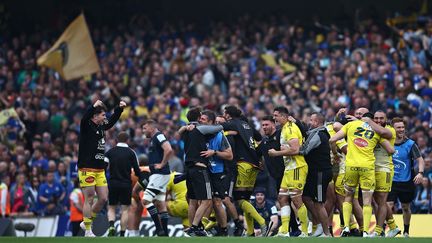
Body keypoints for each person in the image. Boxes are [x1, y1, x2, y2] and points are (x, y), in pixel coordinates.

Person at [330, 112, 393, 237]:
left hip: (351, 166)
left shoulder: (351, 125)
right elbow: (391, 150)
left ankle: (346, 227)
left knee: (348, 197)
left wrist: (336, 153)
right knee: (367, 201)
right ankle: (365, 231)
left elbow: (332, 139)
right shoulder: (377, 131)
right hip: (367, 167)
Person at [77, 99, 125, 237]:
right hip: (87, 167)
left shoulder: (101, 127)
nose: (105, 117)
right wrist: (93, 106)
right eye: (103, 115)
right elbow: (85, 117)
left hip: (99, 169)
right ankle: (87, 230)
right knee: (90, 198)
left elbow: (111, 122)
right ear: (95, 116)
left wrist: (119, 109)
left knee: (103, 198)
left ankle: (87, 220)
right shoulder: (86, 125)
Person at [222, 105, 268, 237]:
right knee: (246, 199)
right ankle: (250, 231)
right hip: (253, 165)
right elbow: (260, 139)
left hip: (243, 164)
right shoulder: (248, 126)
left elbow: (218, 129)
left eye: (225, 114)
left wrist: (227, 132)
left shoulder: (231, 124)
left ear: (228, 114)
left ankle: (262, 221)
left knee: (239, 200)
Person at [180, 107, 222, 237]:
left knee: (192, 200)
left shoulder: (185, 131)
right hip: (200, 168)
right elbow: (219, 127)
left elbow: (179, 131)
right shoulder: (200, 128)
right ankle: (195, 227)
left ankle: (190, 226)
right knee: (207, 200)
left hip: (189, 169)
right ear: (199, 118)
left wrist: (185, 126)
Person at [256, 115, 301, 236]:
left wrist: (296, 122)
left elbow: (297, 141)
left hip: (291, 173)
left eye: (267, 124)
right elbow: (256, 154)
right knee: (284, 202)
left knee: (297, 201)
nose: (264, 127)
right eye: (263, 125)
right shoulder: (265, 142)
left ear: (273, 124)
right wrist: (259, 162)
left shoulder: (282, 134)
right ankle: (294, 229)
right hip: (277, 177)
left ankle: (306, 226)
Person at [268, 106, 308, 237]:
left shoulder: (290, 128)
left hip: (297, 167)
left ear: (284, 116)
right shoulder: (284, 128)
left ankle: (305, 231)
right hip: (289, 168)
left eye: (276, 115)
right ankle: (284, 231)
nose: (274, 118)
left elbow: (295, 149)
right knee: (282, 198)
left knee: (296, 200)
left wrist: (277, 153)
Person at [386, 117, 425, 237]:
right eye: (398, 127)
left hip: (406, 180)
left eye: (403, 127)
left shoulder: (410, 144)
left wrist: (420, 173)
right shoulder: (387, 143)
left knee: (405, 207)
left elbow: (420, 159)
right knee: (388, 205)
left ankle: (406, 231)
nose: (401, 129)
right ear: (393, 129)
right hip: (391, 180)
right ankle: (390, 228)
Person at [105, 131, 148, 237]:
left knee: (111, 207)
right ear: (128, 140)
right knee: (125, 209)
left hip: (113, 183)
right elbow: (137, 171)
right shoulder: (131, 152)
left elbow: (103, 167)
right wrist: (143, 177)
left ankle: (111, 225)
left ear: (116, 140)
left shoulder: (110, 152)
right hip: (126, 184)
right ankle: (122, 234)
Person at [199, 110, 233, 236]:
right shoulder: (199, 133)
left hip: (218, 172)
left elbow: (229, 155)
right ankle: (201, 227)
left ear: (211, 122)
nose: (200, 121)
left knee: (217, 202)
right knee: (205, 201)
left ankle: (224, 229)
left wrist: (214, 152)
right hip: (204, 171)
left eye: (203, 119)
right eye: (200, 118)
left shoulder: (220, 136)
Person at [300, 112, 332, 237]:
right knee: (306, 198)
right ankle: (318, 225)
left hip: (320, 172)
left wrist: (284, 150)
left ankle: (326, 233)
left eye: (312, 120)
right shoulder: (314, 133)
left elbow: (304, 150)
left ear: (317, 122)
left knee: (319, 203)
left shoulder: (319, 134)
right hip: (314, 173)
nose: (309, 122)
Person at [141, 119, 174, 236]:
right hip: (160, 174)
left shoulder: (158, 136)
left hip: (160, 174)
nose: (143, 131)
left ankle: (159, 228)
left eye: (144, 128)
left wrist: (162, 164)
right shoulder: (153, 139)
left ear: (151, 127)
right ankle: (165, 233)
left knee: (145, 200)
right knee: (160, 203)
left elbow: (168, 149)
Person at [371, 111, 396, 237]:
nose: (378, 120)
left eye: (381, 118)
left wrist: (368, 121)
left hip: (384, 168)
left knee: (381, 201)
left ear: (386, 119)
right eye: (376, 118)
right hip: (372, 169)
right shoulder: (372, 129)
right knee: (378, 200)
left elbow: (380, 132)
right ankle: (393, 226)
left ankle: (378, 231)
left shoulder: (390, 129)